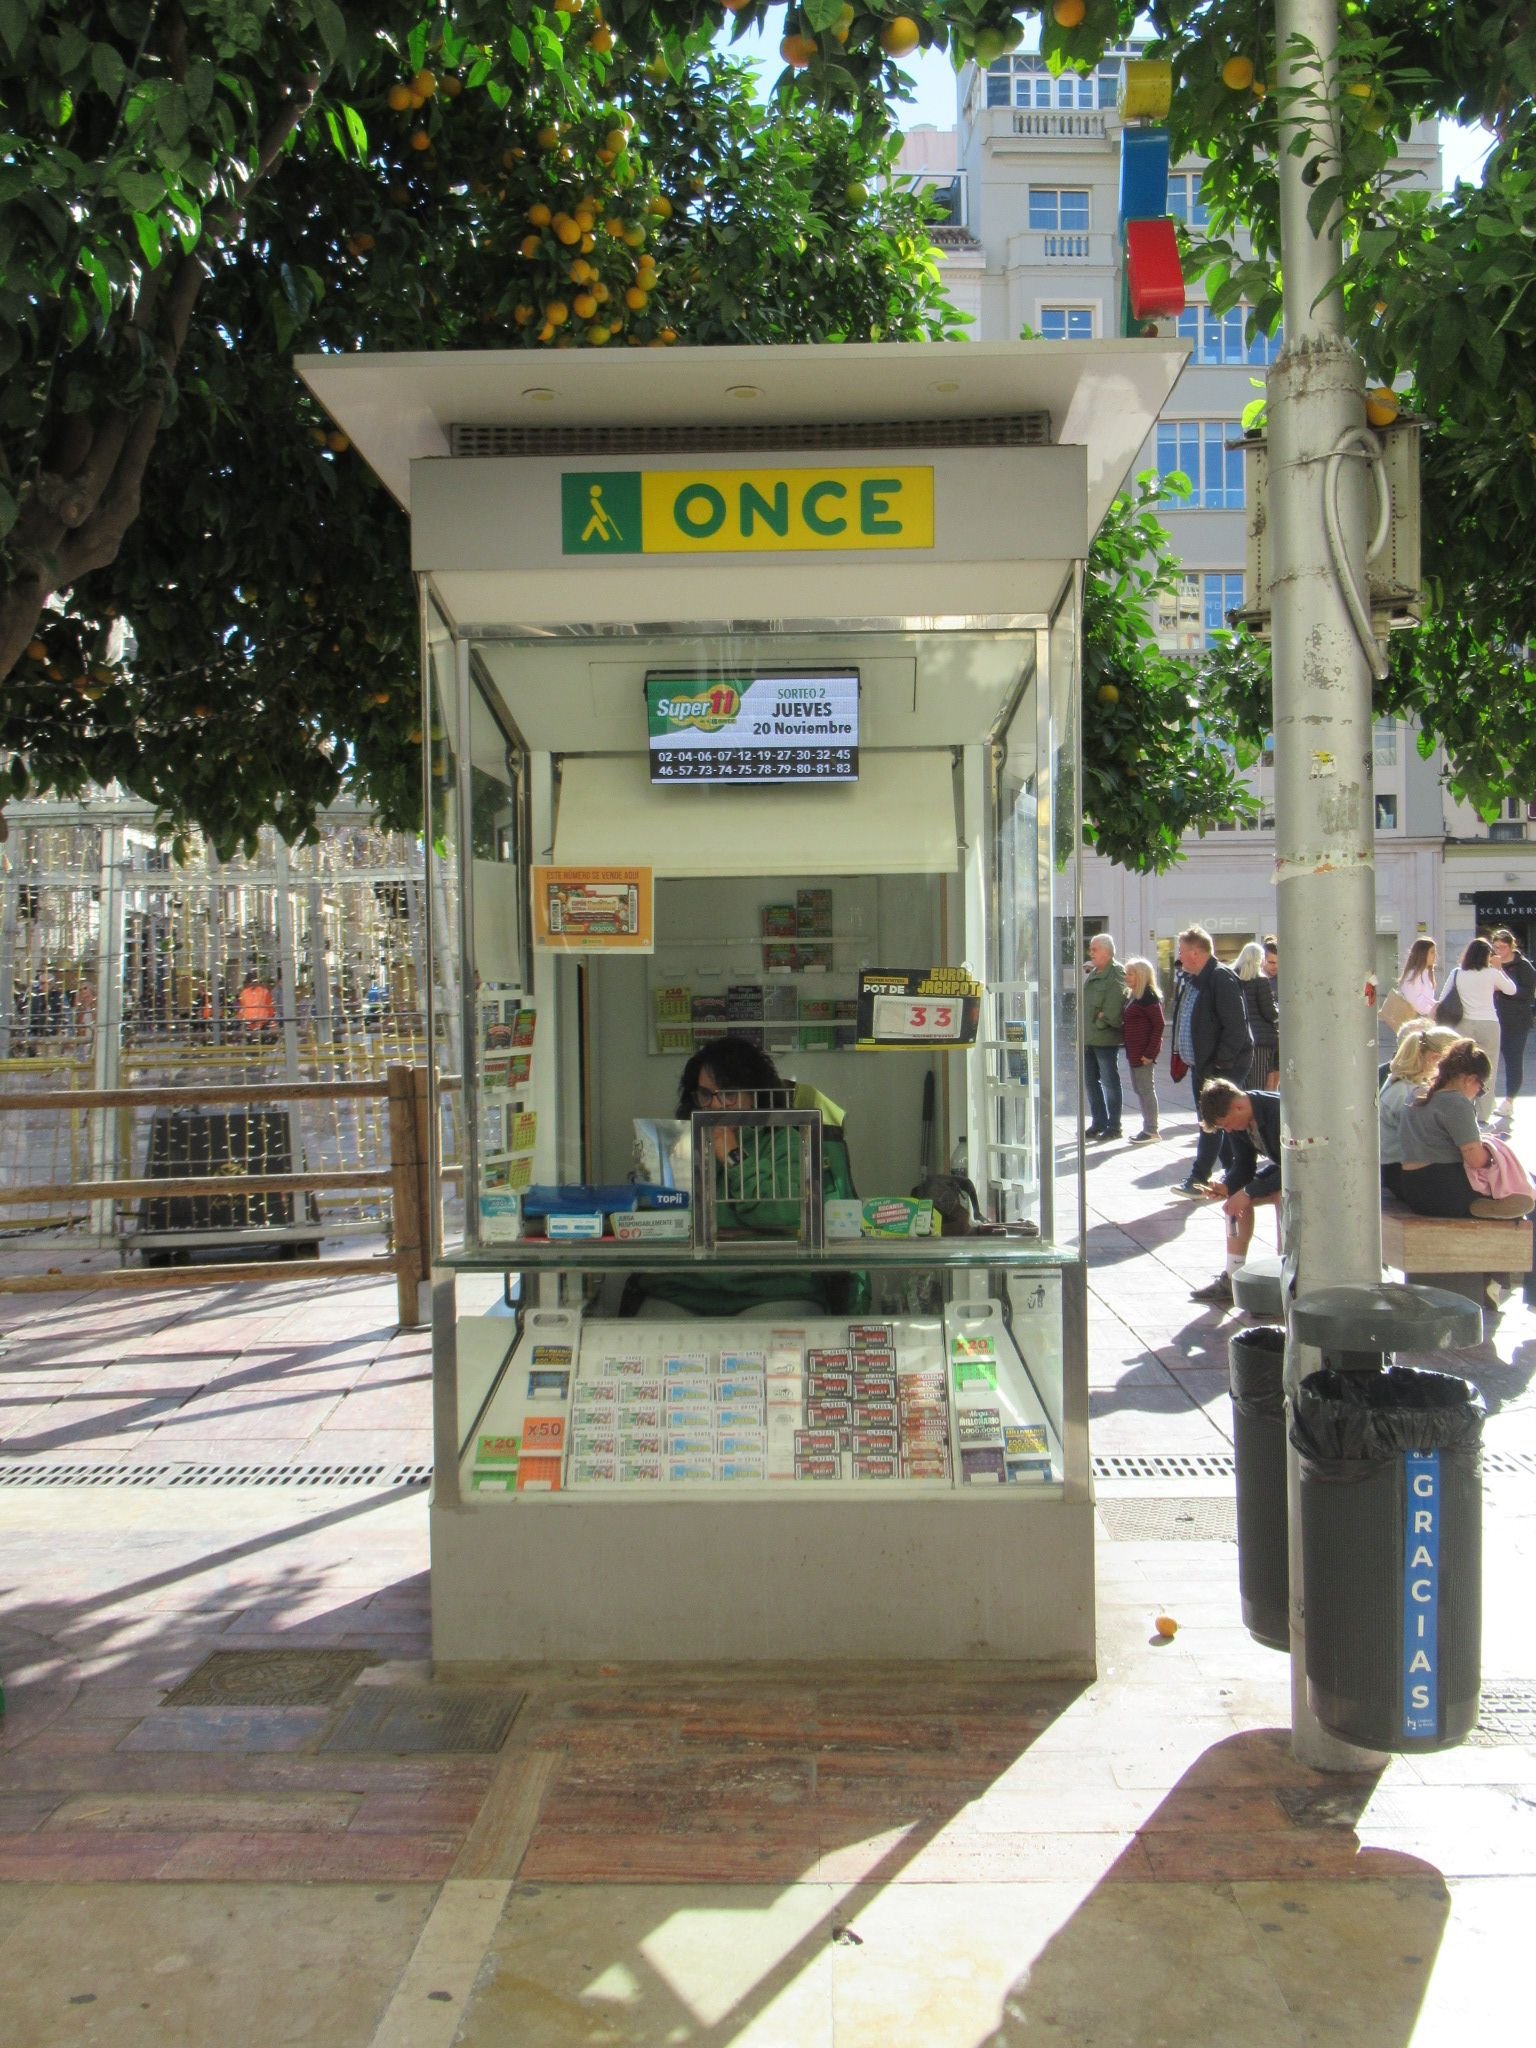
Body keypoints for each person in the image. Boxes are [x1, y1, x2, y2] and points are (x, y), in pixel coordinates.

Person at [624, 1035, 854, 1318]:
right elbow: (657, 1228)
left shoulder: (784, 1141)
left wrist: (732, 1153)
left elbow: (779, 1214)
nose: (717, 1106)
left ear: (754, 1094)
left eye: (729, 1094)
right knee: (647, 1334)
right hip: (683, 1288)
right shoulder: (677, 1142)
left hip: (771, 1287)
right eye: (706, 1095)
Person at [1397, 1038, 1533, 1220]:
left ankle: (1477, 1204)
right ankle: (1475, 1204)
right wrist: (1494, 1155)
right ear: (1470, 1079)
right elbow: (1475, 1158)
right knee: (1525, 1202)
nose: (1479, 1093)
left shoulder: (1415, 1096)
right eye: (1481, 1088)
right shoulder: (1455, 1102)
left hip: (1412, 1187)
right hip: (1445, 1188)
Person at [1167, 926, 1253, 1198]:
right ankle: (1234, 1175)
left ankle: (1198, 1177)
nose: (1178, 957)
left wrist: (1221, 1065)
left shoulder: (1220, 978)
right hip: (1203, 1065)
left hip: (1220, 1067)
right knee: (1218, 1120)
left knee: (1211, 1120)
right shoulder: (1195, 979)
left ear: (1195, 952)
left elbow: (1235, 1028)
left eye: (1181, 951)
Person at [1189, 1079, 1281, 1305]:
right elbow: (1243, 1163)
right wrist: (1228, 1186)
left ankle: (1285, 1271)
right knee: (1234, 1203)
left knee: (1281, 1196)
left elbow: (1297, 1166)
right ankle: (1232, 1276)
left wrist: (1249, 1191)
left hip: (1309, 1168)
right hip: (1285, 1167)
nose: (1228, 1130)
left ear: (1238, 1106)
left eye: (1227, 1124)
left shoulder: (1278, 1111)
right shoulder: (1239, 1119)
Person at [1378, 1021, 1460, 1197]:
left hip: (1400, 1168)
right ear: (1434, 1059)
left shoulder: (1406, 1084)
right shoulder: (1405, 1092)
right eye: (1456, 1065)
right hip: (1398, 1171)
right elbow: (1424, 1140)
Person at [1437, 938, 1513, 1125]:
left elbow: (1442, 997)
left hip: (1463, 1024)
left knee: (1463, 1068)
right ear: (1487, 956)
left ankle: (1462, 1109)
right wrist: (1499, 968)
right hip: (1489, 1024)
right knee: (1489, 1069)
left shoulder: (1457, 973)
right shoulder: (1492, 973)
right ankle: (1483, 1114)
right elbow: (1511, 990)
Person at [1083, 933, 1128, 1142]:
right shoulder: (1094, 972)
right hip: (1089, 1038)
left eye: (1094, 949)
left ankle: (1114, 1125)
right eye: (1090, 949)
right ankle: (1098, 1122)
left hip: (1105, 1038)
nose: (1090, 952)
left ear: (1107, 952)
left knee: (1110, 1082)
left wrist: (1101, 1020)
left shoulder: (1116, 973)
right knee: (1091, 1082)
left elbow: (1113, 1008)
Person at [1488, 928, 1536, 1124]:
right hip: (1491, 1018)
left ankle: (1509, 1101)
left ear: (1512, 945)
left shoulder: (1523, 966)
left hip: (1516, 1020)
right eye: (1496, 946)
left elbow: (1528, 992)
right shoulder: (1489, 963)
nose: (1499, 950)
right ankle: (1486, 1100)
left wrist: (1505, 987)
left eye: (1503, 946)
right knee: (1488, 1060)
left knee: (1513, 1060)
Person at [1121, 957, 1164, 1144]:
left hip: (1143, 1053)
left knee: (1146, 1090)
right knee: (1140, 1089)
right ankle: (1148, 1127)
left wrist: (1150, 1053)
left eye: (1130, 974)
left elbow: (1159, 1025)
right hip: (1135, 1051)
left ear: (1141, 976)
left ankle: (1151, 1130)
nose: (1127, 977)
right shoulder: (1134, 996)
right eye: (1127, 973)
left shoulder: (1148, 997)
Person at [1233, 940, 1279, 1090]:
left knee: (1241, 1084)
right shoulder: (1261, 980)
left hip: (1238, 1040)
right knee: (1259, 1086)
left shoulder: (1232, 978)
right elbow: (1269, 1013)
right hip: (1261, 1041)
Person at [1397, 937, 1439, 1018]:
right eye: (1432, 952)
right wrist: (1433, 1010)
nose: (1435, 956)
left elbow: (1426, 998)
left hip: (1423, 1019)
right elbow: (1415, 1002)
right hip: (1414, 1021)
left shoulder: (1426, 973)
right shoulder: (1413, 974)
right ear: (1423, 954)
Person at [236, 970, 275, 1040]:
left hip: (249, 1022)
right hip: (261, 1021)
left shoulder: (244, 993)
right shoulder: (264, 991)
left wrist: (240, 1018)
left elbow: (241, 1009)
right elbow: (270, 1009)